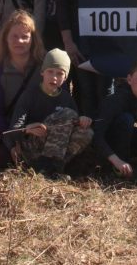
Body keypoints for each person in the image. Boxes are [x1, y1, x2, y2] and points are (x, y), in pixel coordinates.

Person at [6, 48, 93, 177]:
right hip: (32, 147)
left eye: (59, 74)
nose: (54, 77)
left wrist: (83, 120)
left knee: (86, 132)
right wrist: (27, 129)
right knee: (67, 114)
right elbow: (13, 130)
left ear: (65, 78)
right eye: (50, 72)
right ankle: (47, 169)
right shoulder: (30, 94)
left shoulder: (66, 98)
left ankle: (54, 168)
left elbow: (73, 124)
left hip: (56, 150)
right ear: (42, 72)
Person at [0, 10, 46, 168]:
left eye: (25, 36)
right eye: (14, 36)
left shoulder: (45, 65)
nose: (20, 41)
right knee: (1, 161)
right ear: (5, 38)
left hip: (43, 126)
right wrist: (11, 144)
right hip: (12, 127)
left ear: (33, 39)